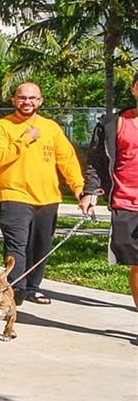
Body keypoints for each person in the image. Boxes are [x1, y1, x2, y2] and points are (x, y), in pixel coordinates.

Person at [0, 82, 95, 304]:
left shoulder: (51, 128)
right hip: (14, 195)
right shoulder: (0, 127)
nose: (27, 102)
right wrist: (25, 139)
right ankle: (16, 291)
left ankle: (33, 287)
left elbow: (67, 160)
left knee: (40, 246)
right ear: (14, 100)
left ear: (40, 101)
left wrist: (79, 189)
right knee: (16, 246)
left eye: (32, 98)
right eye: (22, 97)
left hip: (48, 198)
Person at [84, 73, 138, 311]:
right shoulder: (112, 123)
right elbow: (96, 162)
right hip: (126, 203)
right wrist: (91, 191)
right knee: (137, 265)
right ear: (133, 89)